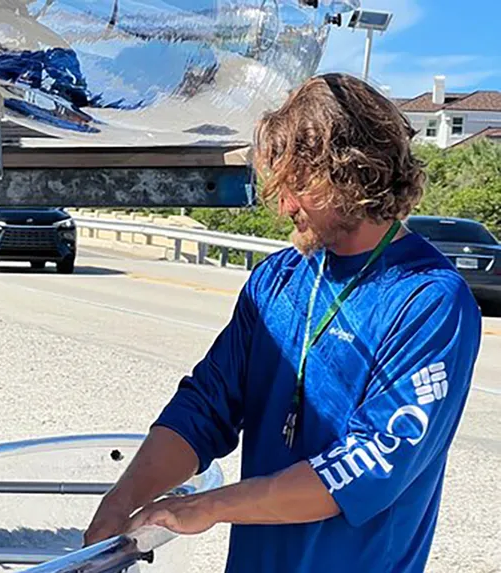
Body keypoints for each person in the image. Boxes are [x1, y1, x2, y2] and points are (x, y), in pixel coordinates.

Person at [84, 72, 483, 572]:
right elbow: (205, 407)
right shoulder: (277, 279)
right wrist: (121, 503)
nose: (283, 206)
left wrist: (207, 506)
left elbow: (368, 467)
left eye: (299, 186)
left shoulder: (429, 301)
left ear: (355, 174)